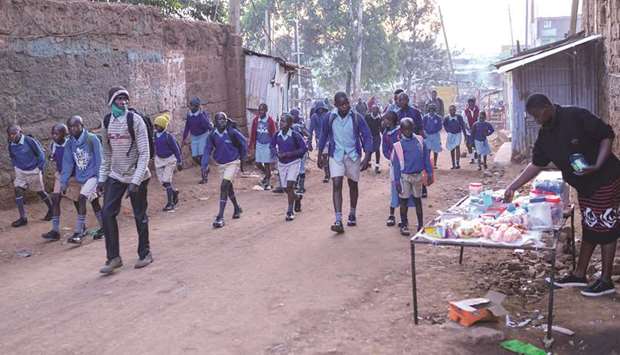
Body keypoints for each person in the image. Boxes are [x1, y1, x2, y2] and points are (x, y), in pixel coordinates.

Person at [505, 93, 620, 297]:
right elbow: (537, 164)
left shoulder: (576, 116)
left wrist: (597, 165)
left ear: (547, 108)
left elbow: (606, 135)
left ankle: (606, 280)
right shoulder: (545, 134)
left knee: (606, 226)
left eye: (536, 115)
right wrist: (513, 186)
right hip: (584, 185)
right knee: (590, 225)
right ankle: (579, 274)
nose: (535, 120)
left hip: (605, 178)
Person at [98, 86, 153, 274]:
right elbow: (106, 153)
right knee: (107, 213)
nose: (123, 102)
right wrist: (101, 178)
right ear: (111, 102)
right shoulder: (106, 122)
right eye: (119, 99)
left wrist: (136, 182)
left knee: (139, 215)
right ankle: (113, 258)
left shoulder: (135, 121)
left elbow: (145, 153)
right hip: (116, 175)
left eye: (125, 99)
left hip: (137, 175)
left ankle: (145, 253)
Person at [318, 92, 373, 233]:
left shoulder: (356, 117)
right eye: (342, 104)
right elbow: (323, 136)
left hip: (353, 155)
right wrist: (319, 155)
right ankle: (338, 220)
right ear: (335, 105)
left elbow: (367, 135)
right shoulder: (329, 118)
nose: (345, 106)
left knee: (352, 184)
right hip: (336, 155)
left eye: (347, 103)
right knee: (336, 183)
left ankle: (352, 213)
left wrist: (367, 156)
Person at [201, 112, 247, 228]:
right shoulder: (212, 135)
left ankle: (220, 217)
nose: (222, 122)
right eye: (219, 120)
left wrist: (243, 159)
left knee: (224, 185)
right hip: (221, 164)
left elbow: (244, 143)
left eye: (224, 119)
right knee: (228, 187)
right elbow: (207, 150)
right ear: (215, 122)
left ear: (226, 121)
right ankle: (237, 208)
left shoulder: (232, 132)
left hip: (233, 162)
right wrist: (204, 165)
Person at [391, 117, 433, 236]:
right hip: (405, 176)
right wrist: (397, 182)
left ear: (413, 128)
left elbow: (426, 158)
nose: (408, 132)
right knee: (403, 201)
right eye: (405, 130)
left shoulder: (420, 141)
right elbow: (396, 165)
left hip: (418, 175)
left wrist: (429, 173)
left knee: (417, 200)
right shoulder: (398, 145)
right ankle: (404, 225)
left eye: (410, 129)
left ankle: (420, 225)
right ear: (401, 130)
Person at [7, 125, 53, 227]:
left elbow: (40, 154)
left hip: (33, 170)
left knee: (40, 192)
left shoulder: (29, 141)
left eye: (14, 133)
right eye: (10, 134)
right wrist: (16, 167)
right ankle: (23, 218)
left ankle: (52, 210)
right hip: (20, 171)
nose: (12, 136)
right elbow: (12, 156)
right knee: (17, 189)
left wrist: (39, 168)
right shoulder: (11, 144)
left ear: (20, 132)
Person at [271, 113, 308, 221]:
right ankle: (297, 197)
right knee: (285, 188)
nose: (280, 123)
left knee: (290, 185)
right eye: (280, 121)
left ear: (289, 123)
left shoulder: (295, 135)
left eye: (283, 121)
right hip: (282, 164)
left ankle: (290, 211)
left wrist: (288, 154)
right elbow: (272, 145)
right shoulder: (277, 135)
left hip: (294, 162)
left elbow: (303, 149)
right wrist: (276, 153)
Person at [382, 111, 415, 227]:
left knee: (404, 189)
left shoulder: (400, 131)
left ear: (390, 121)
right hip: (394, 164)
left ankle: (402, 218)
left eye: (385, 119)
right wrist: (392, 156)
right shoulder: (386, 134)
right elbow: (385, 150)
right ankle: (391, 214)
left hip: (404, 165)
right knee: (394, 187)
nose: (383, 121)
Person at [153, 113, 182, 212]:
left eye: (158, 126)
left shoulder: (168, 137)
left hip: (169, 159)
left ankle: (170, 203)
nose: (156, 127)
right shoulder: (155, 135)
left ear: (163, 126)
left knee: (166, 180)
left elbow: (176, 149)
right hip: (159, 159)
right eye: (155, 125)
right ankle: (173, 192)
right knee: (162, 181)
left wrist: (179, 161)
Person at [181, 97, 212, 184]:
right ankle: (205, 167)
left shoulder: (202, 115)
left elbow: (208, 125)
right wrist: (184, 138)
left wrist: (213, 135)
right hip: (194, 136)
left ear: (196, 107)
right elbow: (187, 126)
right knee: (195, 157)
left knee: (202, 156)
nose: (190, 107)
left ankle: (204, 177)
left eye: (191, 106)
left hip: (203, 136)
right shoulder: (189, 115)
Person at [249, 103, 277, 190]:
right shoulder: (256, 120)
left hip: (267, 144)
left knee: (267, 164)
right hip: (259, 144)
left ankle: (267, 181)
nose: (260, 112)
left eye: (262, 110)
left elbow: (273, 134)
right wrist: (251, 145)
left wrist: (273, 146)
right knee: (257, 163)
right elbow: (253, 133)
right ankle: (267, 174)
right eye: (259, 110)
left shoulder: (270, 121)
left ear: (266, 111)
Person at [309, 101, 332, 183]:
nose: (320, 110)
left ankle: (331, 172)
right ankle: (327, 174)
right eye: (318, 109)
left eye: (321, 109)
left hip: (330, 138)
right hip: (320, 139)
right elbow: (310, 130)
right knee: (325, 156)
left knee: (331, 157)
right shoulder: (314, 117)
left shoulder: (328, 115)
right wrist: (309, 142)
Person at [290, 108, 310, 195]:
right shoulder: (297, 125)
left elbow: (308, 134)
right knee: (296, 168)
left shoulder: (296, 126)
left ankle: (301, 187)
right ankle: (297, 185)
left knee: (300, 168)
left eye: (294, 115)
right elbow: (308, 134)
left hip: (300, 150)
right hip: (296, 150)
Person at [443, 104, 467, 169]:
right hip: (451, 134)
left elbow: (463, 126)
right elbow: (444, 125)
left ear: (455, 110)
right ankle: (453, 163)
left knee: (457, 146)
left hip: (458, 134)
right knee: (452, 148)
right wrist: (448, 130)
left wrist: (465, 136)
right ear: (449, 111)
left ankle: (457, 163)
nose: (452, 111)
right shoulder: (447, 118)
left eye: (453, 110)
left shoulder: (459, 117)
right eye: (451, 110)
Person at [422, 103, 443, 169]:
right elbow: (423, 125)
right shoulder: (425, 117)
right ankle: (428, 163)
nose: (431, 111)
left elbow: (440, 127)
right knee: (428, 149)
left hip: (435, 135)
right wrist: (426, 131)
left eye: (433, 110)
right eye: (430, 110)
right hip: (427, 135)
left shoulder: (438, 118)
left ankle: (434, 164)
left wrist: (434, 131)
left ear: (435, 110)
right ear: (428, 110)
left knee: (436, 149)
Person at [365, 103, 383, 174]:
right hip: (369, 136)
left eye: (376, 109)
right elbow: (364, 126)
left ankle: (377, 166)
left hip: (376, 136)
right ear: (371, 110)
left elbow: (381, 128)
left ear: (378, 111)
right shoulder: (367, 117)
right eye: (374, 109)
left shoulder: (380, 119)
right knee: (369, 150)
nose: (375, 111)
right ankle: (368, 163)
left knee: (377, 150)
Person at [464, 98, 480, 164]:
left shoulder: (478, 111)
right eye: (469, 104)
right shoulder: (465, 111)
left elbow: (479, 120)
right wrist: (468, 129)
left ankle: (477, 156)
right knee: (468, 144)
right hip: (468, 131)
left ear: (474, 103)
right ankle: (472, 158)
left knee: (476, 144)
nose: (471, 105)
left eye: (472, 103)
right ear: (468, 104)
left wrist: (475, 129)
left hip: (476, 130)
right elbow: (464, 122)